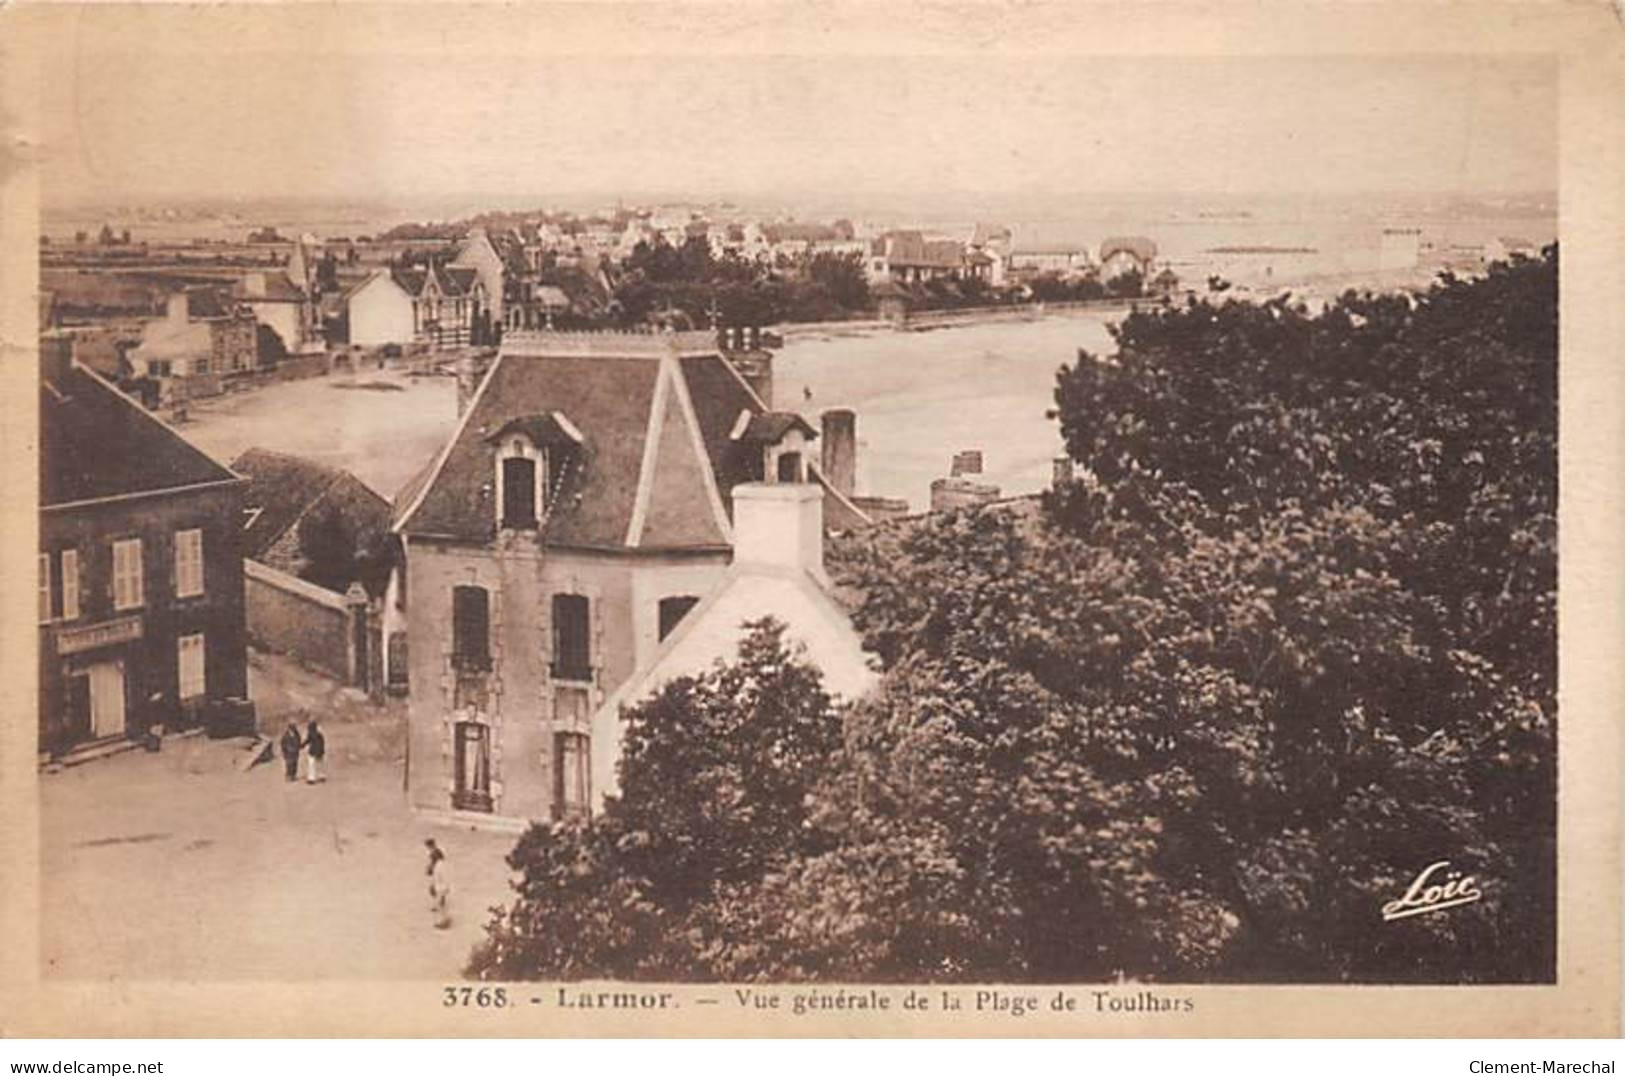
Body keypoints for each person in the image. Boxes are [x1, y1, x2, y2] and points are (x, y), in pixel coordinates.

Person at [425, 839, 451, 929]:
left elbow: (441, 877)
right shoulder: (440, 864)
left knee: (441, 905)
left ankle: (445, 921)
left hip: (441, 886)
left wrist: (444, 887)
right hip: (441, 886)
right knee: (441, 904)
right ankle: (445, 919)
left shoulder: (438, 866)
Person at [304, 718, 326, 784]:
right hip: (320, 751)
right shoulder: (320, 733)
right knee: (320, 764)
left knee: (311, 764)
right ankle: (321, 776)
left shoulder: (310, 733)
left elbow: (307, 741)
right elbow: (322, 742)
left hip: (313, 751)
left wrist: (301, 746)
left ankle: (311, 778)